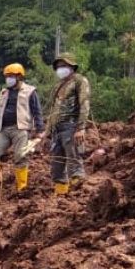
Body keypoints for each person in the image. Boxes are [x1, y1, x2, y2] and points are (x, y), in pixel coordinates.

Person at [0, 63, 43, 192]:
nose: (8, 79)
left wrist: (40, 129)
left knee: (20, 156)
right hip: (4, 129)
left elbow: (37, 111)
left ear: (19, 77)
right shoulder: (4, 92)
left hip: (21, 129)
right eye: (7, 76)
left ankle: (21, 188)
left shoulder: (30, 91)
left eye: (11, 76)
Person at [47, 53, 91, 195]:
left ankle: (79, 197)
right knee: (56, 166)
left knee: (74, 163)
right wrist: (48, 132)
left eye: (64, 65)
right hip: (57, 130)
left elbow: (84, 103)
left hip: (71, 126)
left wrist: (81, 128)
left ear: (72, 67)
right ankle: (61, 197)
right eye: (59, 66)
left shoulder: (79, 81)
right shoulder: (58, 85)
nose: (61, 69)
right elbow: (53, 110)